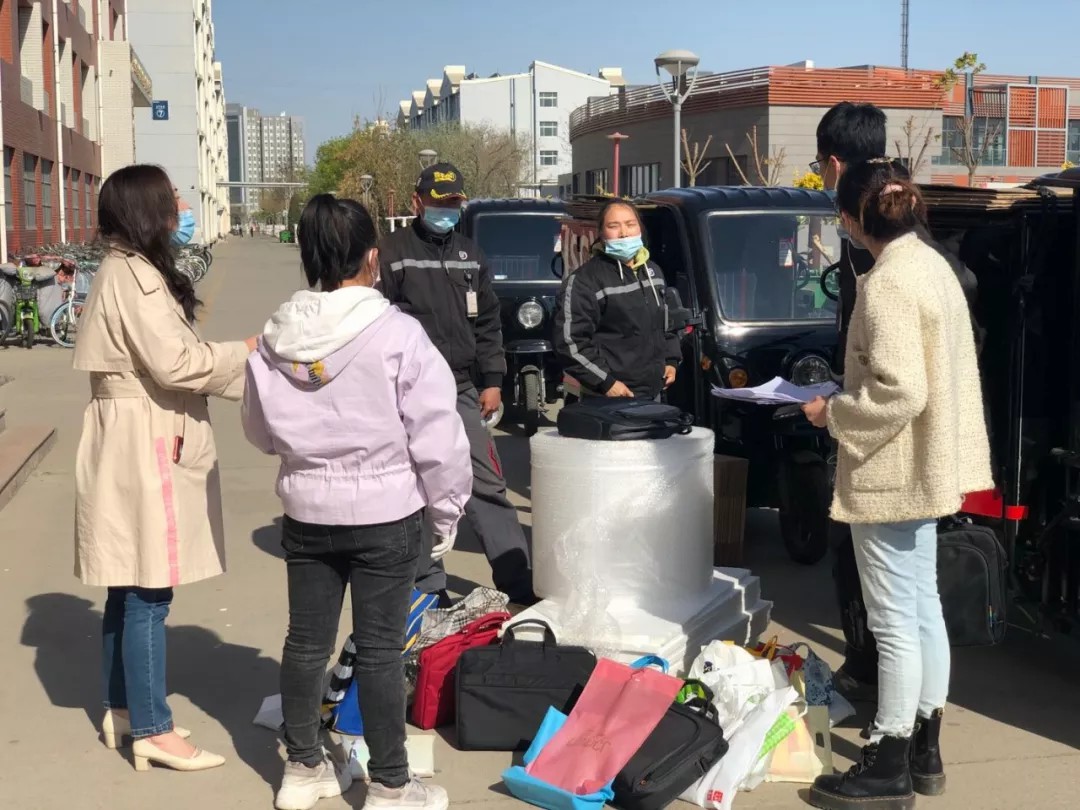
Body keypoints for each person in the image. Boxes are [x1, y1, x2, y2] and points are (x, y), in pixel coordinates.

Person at [243, 194, 469, 810]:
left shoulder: (275, 338)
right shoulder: (398, 333)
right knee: (379, 651)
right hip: (386, 513)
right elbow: (438, 436)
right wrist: (446, 512)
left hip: (306, 511)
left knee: (304, 644)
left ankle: (303, 769)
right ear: (373, 258)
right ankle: (391, 784)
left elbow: (261, 433)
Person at [802, 161, 992, 810]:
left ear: (852, 219)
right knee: (921, 609)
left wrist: (833, 411)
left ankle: (887, 760)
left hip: (891, 470)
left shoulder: (887, 281)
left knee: (893, 622)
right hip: (927, 465)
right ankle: (923, 749)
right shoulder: (933, 265)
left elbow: (900, 390)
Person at [72, 164, 257, 773]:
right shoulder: (136, 278)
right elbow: (176, 363)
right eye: (172, 197)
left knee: (126, 583)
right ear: (147, 209)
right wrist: (245, 354)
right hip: (146, 433)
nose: (181, 206)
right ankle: (152, 727)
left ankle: (124, 708)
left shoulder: (125, 269)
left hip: (130, 431)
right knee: (149, 591)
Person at [378, 163, 535, 606]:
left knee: (485, 482)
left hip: (462, 387)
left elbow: (488, 322)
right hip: (406, 392)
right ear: (417, 202)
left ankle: (518, 579)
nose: (446, 210)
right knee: (418, 486)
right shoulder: (391, 253)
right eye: (438, 202)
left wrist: (493, 380)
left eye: (453, 203)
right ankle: (429, 586)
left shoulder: (471, 254)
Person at [554, 200, 681, 402]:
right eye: (614, 226)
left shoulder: (653, 272)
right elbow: (570, 343)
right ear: (601, 233)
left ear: (640, 228)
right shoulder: (585, 281)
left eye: (630, 224)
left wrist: (671, 361)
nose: (624, 233)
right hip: (608, 398)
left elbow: (666, 324)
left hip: (654, 394)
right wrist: (606, 383)